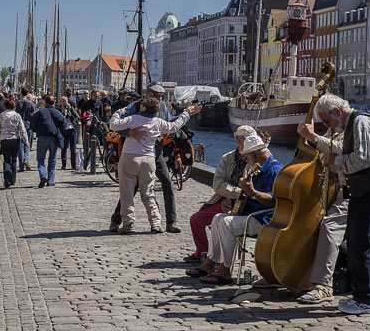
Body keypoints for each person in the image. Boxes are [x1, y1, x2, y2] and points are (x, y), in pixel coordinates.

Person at [316, 94, 370, 315]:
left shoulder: (361, 122)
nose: (327, 126)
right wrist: (338, 177)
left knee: (360, 243)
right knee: (354, 241)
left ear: (337, 111)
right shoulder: (352, 124)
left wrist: (335, 161)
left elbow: (365, 159)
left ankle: (366, 299)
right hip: (366, 186)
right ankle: (361, 295)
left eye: (326, 120)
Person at [186, 135, 283, 285]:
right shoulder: (256, 168)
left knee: (226, 223)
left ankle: (225, 270)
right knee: (218, 217)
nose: (246, 160)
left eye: (247, 157)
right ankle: (211, 263)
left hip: (264, 218)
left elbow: (275, 202)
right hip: (252, 214)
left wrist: (253, 193)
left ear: (252, 155)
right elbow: (248, 196)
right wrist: (231, 202)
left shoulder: (275, 170)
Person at [108, 84, 197, 233]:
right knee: (141, 191)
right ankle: (127, 221)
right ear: (149, 95)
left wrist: (186, 113)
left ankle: (167, 222)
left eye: (161, 97)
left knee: (159, 185)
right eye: (157, 96)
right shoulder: (137, 110)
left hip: (147, 154)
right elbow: (172, 126)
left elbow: (114, 124)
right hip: (147, 156)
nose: (160, 99)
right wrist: (130, 133)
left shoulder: (149, 111)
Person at [292, 120, 348, 304]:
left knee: (329, 227)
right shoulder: (332, 131)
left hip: (348, 195)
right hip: (331, 193)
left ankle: (324, 285)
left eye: (325, 117)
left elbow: (343, 149)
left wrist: (314, 137)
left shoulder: (350, 130)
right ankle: (293, 272)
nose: (323, 121)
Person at [185, 126, 257, 263]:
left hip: (245, 203)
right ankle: (203, 252)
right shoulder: (228, 158)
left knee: (224, 223)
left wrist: (239, 196)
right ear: (239, 141)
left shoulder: (255, 158)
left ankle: (221, 259)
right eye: (248, 140)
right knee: (196, 220)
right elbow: (217, 184)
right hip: (225, 199)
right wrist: (236, 193)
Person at [30, 94, 66, 188]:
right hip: (54, 137)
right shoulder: (57, 112)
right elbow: (63, 123)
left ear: (45, 102)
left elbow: (32, 124)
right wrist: (60, 132)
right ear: (53, 102)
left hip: (42, 136)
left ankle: (43, 175)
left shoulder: (41, 112)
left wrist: (37, 130)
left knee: (40, 159)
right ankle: (50, 180)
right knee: (52, 159)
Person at [0, 96, 28, 188]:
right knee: (14, 159)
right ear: (14, 106)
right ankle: (12, 179)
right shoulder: (17, 115)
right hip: (15, 139)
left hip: (5, 139)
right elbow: (22, 129)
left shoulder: (1, 115)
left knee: (6, 160)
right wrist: (26, 141)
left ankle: (6, 177)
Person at [15, 87, 36, 172]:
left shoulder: (17, 103)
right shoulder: (31, 104)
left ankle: (21, 166)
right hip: (28, 125)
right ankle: (26, 160)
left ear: (20, 93)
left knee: (20, 146)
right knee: (27, 144)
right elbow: (33, 114)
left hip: (19, 126)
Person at [58, 95, 79, 169]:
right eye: (62, 101)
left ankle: (73, 165)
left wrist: (70, 109)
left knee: (73, 149)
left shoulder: (71, 108)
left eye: (65, 101)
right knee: (64, 148)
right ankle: (63, 165)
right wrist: (63, 112)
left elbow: (77, 117)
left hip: (72, 129)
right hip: (64, 130)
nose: (64, 103)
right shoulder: (59, 110)